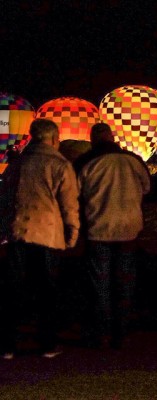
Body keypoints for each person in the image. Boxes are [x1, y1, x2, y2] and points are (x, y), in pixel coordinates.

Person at [0, 118, 80, 359]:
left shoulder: (17, 163)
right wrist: (72, 232)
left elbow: (4, 199)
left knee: (14, 290)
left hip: (18, 232)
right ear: (55, 138)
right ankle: (47, 342)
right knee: (47, 291)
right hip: (47, 233)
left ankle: (7, 344)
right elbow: (69, 204)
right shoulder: (59, 164)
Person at [76, 122, 151, 349]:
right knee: (125, 280)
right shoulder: (133, 160)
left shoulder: (85, 162)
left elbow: (75, 193)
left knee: (100, 283)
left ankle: (103, 333)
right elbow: (147, 187)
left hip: (98, 229)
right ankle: (123, 332)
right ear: (112, 137)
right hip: (129, 228)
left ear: (93, 140)